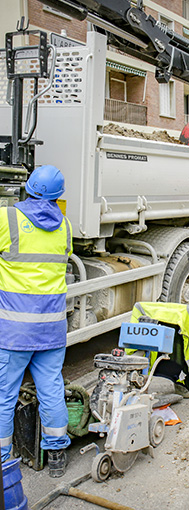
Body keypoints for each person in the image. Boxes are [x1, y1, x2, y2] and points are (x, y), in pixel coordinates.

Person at [0, 165, 72, 478]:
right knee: (51, 388)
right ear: (58, 197)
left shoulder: (8, 218)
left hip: (14, 330)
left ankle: (3, 460)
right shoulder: (65, 226)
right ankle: (56, 455)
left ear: (27, 186)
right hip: (52, 327)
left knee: (4, 395)